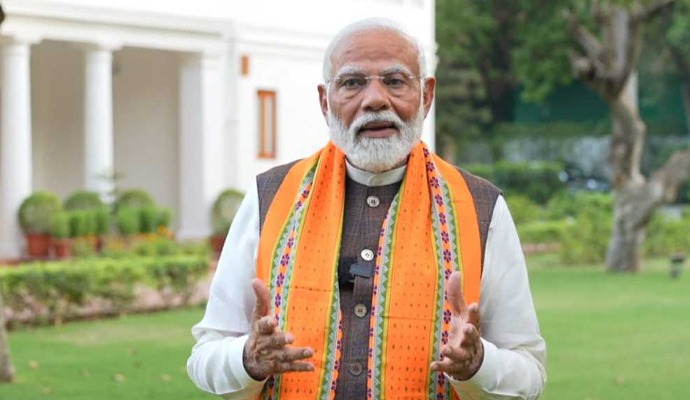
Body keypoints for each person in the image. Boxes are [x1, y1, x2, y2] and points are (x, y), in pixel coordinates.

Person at [187, 18, 546, 400]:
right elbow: (205, 355)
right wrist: (246, 360)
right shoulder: (270, 197)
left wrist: (479, 364)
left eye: (395, 81)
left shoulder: (480, 207)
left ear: (427, 95)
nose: (375, 99)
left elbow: (529, 372)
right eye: (352, 82)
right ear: (325, 101)